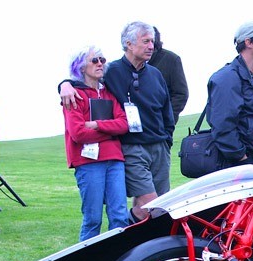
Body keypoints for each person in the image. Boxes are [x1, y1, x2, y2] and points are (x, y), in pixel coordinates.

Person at [60, 21, 175, 224]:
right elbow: (83, 79)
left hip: (159, 147)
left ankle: (141, 247)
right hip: (133, 148)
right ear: (129, 44)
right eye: (146, 41)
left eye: (152, 42)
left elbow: (167, 110)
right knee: (151, 203)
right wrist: (64, 84)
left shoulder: (155, 74)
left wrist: (167, 139)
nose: (152, 46)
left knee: (154, 207)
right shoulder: (111, 70)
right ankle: (128, 242)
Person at [62, 46, 129, 241]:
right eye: (94, 60)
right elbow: (78, 133)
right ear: (81, 67)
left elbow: (124, 124)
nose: (100, 63)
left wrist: (97, 125)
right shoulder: (73, 94)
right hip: (88, 162)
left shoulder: (109, 93)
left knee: (120, 217)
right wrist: (110, 132)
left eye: (102, 59)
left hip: (115, 160)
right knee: (93, 219)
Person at [207, 21, 253, 191]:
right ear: (248, 42)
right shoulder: (226, 78)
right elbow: (222, 126)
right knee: (247, 215)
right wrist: (242, 157)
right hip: (239, 165)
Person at [149, 27, 189, 124]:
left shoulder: (171, 59)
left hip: (161, 127)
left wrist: (166, 120)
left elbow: (181, 94)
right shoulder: (130, 64)